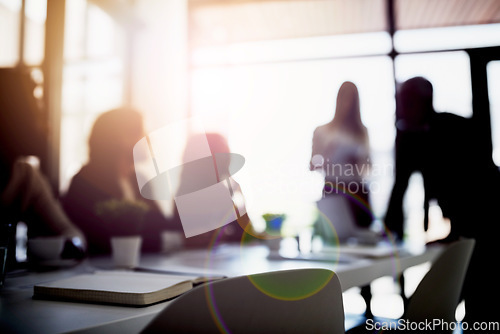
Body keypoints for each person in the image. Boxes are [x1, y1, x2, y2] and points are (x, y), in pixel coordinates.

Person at [384, 76, 500, 323]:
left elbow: (481, 185)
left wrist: (458, 232)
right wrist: (388, 231)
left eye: (406, 102)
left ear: (425, 102)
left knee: (481, 299)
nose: (401, 109)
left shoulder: (458, 128)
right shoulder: (407, 137)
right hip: (465, 227)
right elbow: (400, 186)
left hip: (490, 219)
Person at [0, 68, 86, 266]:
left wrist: (69, 244)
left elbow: (69, 231)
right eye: (36, 111)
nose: (47, 126)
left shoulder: (28, 176)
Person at [62, 108, 177, 255]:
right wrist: (175, 240)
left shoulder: (137, 179)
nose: (149, 139)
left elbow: (161, 226)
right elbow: (104, 240)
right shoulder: (85, 183)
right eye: (142, 132)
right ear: (123, 139)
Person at [310, 81, 374, 318]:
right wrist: (327, 153)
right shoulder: (322, 131)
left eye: (352, 97)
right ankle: (329, 310)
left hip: (358, 191)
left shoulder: (361, 131)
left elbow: (368, 167)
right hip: (333, 191)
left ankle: (368, 308)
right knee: (332, 249)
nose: (347, 102)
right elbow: (312, 165)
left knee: (365, 248)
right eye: (344, 96)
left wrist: (358, 161)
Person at [173, 133, 248, 248]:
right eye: (222, 155)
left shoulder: (223, 191)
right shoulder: (187, 193)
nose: (227, 161)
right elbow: (189, 237)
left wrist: (239, 198)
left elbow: (243, 233)